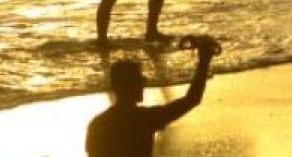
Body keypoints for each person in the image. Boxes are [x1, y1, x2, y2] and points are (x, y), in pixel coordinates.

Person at [86, 36, 221, 157]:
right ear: (130, 85)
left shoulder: (98, 124)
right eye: (139, 79)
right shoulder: (145, 118)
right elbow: (192, 99)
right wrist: (204, 61)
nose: (144, 82)